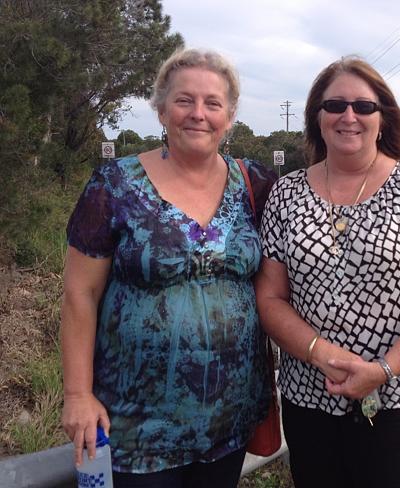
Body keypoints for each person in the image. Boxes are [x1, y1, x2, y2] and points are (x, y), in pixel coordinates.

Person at [61, 48, 277, 487]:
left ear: (229, 116)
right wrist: (77, 394)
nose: (198, 114)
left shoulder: (254, 183)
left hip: (228, 419)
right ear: (161, 109)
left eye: (212, 103)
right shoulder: (113, 186)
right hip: (133, 423)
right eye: (184, 100)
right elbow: (79, 294)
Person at [255, 56, 400, 488]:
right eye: (335, 105)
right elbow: (270, 297)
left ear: (382, 117)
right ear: (317, 117)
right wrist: (323, 355)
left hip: (398, 398)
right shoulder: (287, 193)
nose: (348, 116)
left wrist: (383, 369)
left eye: (363, 106)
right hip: (309, 399)